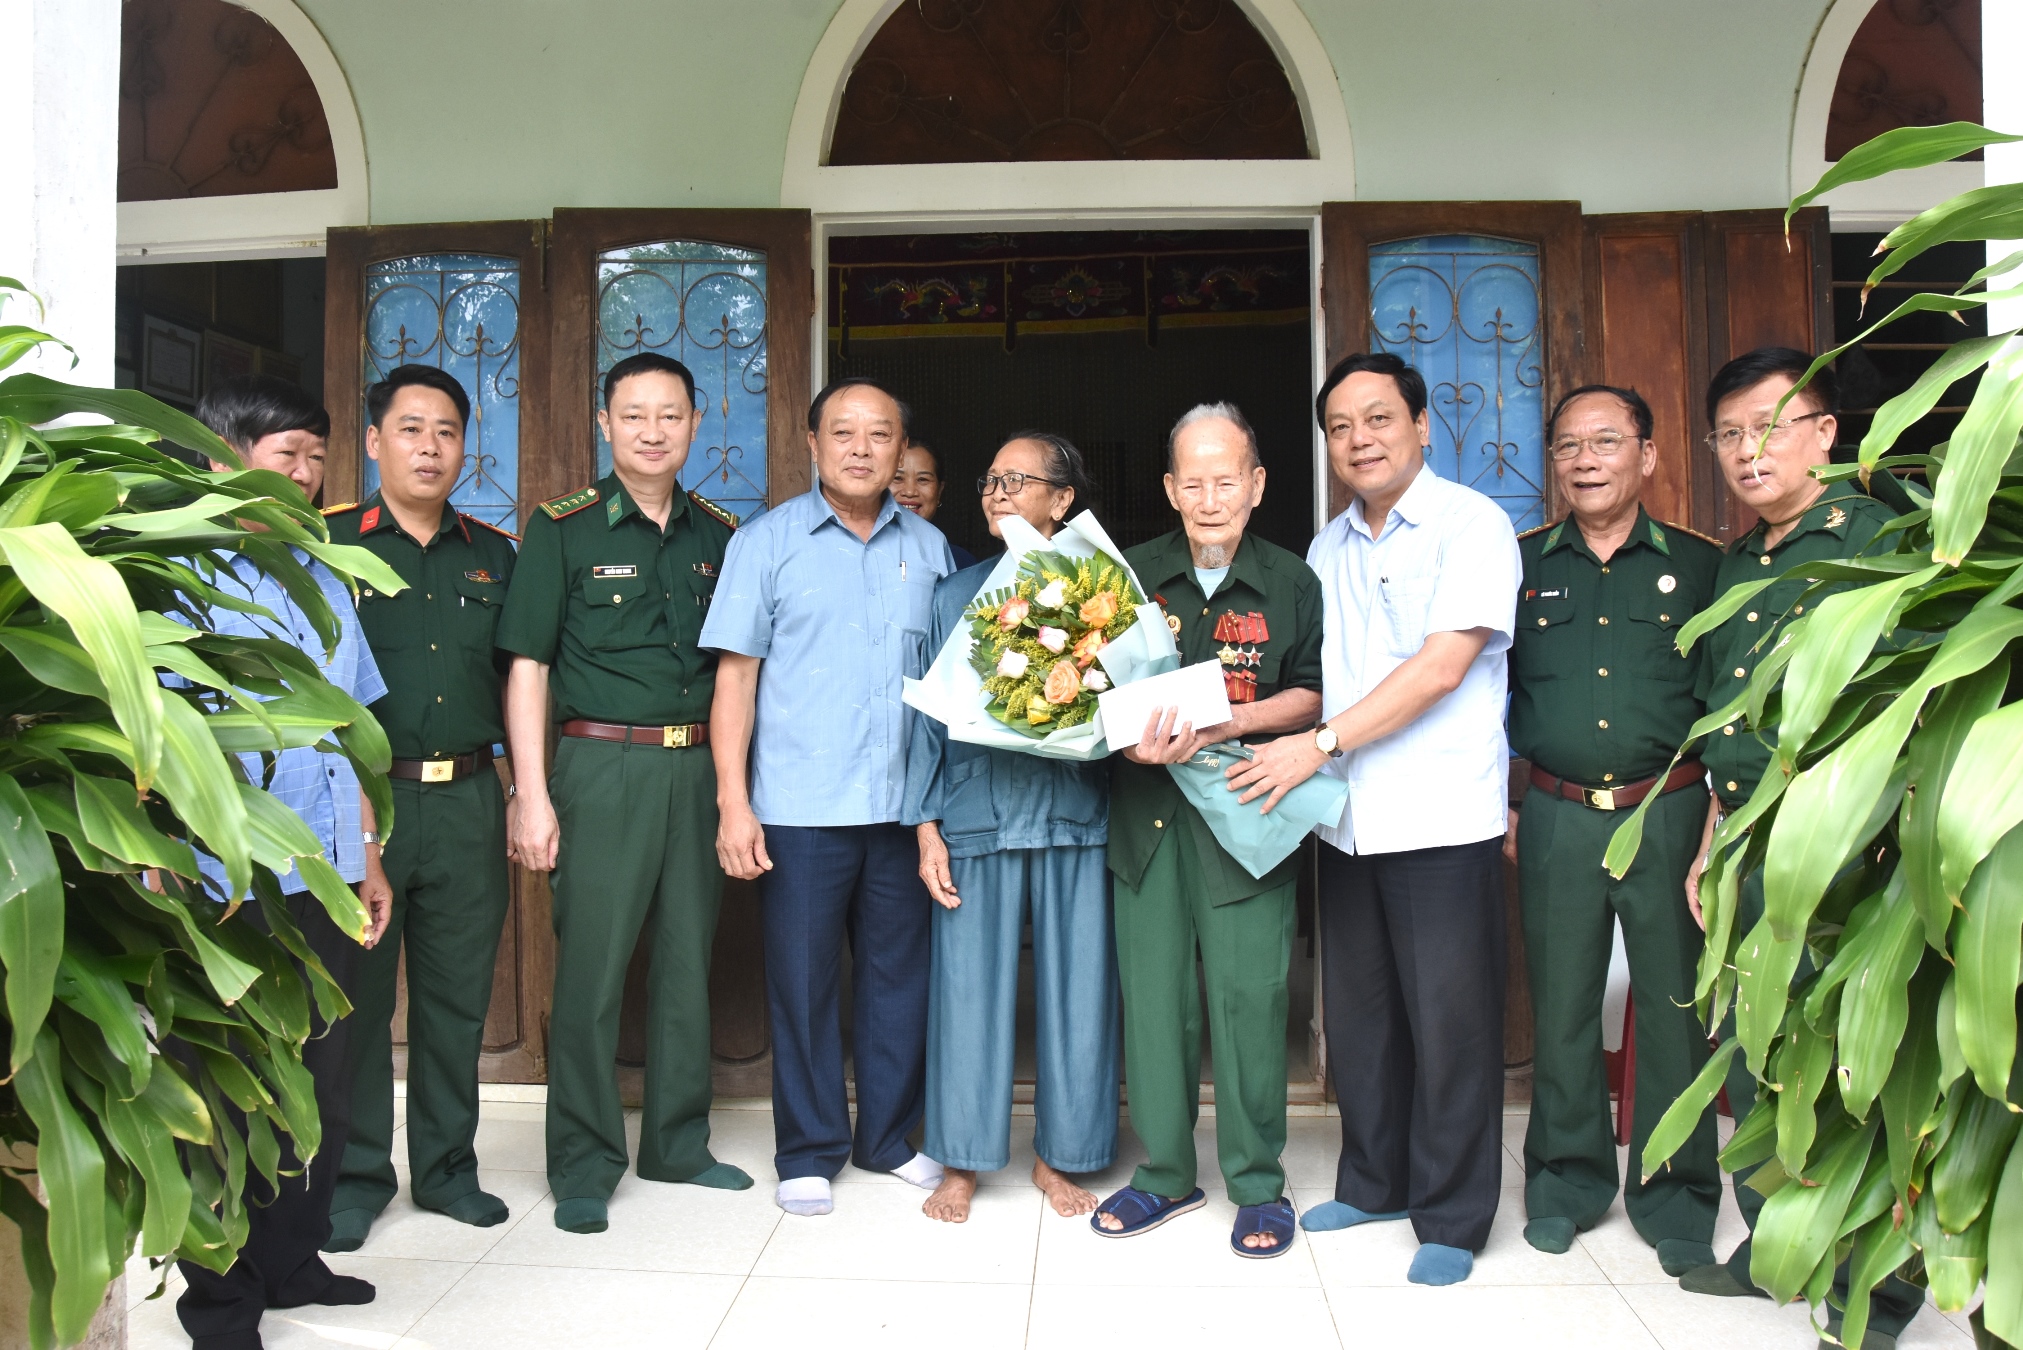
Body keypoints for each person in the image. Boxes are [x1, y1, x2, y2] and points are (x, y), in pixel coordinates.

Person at [1226, 352, 1519, 1286]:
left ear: (1422, 425)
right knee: (1361, 1018)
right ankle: (1375, 1177)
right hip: (1346, 820)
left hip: (1438, 816)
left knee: (1451, 1023)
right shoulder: (1325, 547)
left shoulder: (1471, 526)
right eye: (1341, 427)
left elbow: (1440, 669)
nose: (1360, 439)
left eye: (1379, 419)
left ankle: (1453, 1214)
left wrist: (1317, 743)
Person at [1675, 349, 1920, 1350]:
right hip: (1747, 858)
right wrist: (1704, 851)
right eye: (1729, 433)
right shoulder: (1740, 565)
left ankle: (1878, 1292)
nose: (1748, 450)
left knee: (1859, 1072)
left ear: (1825, 432)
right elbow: (1722, 729)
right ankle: (1778, 1246)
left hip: (1850, 859)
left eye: (1772, 426)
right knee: (1758, 1060)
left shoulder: (1884, 539)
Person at [496, 352, 751, 1236]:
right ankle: (581, 1161)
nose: (652, 431)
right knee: (594, 974)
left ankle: (677, 1143)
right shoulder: (562, 527)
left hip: (695, 768)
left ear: (694, 424)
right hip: (600, 767)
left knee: (688, 961)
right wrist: (532, 795)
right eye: (634, 415)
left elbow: (735, 673)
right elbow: (527, 667)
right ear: (605, 426)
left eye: (669, 415)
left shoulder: (720, 534)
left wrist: (731, 794)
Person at [702, 375, 955, 1218]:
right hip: (799, 810)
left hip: (901, 810)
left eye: (878, 434)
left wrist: (938, 810)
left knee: (898, 979)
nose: (859, 448)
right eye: (841, 432)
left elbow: (957, 684)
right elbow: (735, 682)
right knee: (802, 983)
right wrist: (733, 805)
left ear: (899, 451)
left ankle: (888, 1137)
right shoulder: (766, 543)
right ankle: (808, 1150)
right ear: (811, 445)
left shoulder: (929, 549)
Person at [175, 374, 392, 1350]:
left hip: (329, 871)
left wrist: (370, 858)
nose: (305, 475)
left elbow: (351, 728)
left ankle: (293, 1260)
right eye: (285, 456)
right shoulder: (180, 577)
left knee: (323, 1076)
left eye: (316, 457)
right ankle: (219, 1301)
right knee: (222, 1086)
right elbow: (155, 738)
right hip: (223, 877)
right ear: (226, 458)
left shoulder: (328, 575)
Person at [1091, 402, 1324, 1260]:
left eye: (1226, 478)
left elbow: (1313, 693)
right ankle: (1163, 1174)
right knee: (1154, 1002)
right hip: (1145, 820)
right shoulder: (1128, 575)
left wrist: (1230, 722)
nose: (1209, 495)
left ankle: (1258, 1184)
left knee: (1250, 1002)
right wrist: (1125, 730)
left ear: (1257, 485)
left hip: (1247, 815)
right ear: (1168, 488)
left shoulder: (1293, 580)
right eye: (1191, 480)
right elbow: (1088, 686)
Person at [1503, 385, 1723, 1272]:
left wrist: (1714, 825)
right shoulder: (1515, 564)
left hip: (1668, 811)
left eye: (1605, 441)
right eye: (1566, 446)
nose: (1584, 459)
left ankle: (1674, 1195)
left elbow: (1728, 705)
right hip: (1553, 816)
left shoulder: (1706, 567)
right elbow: (1485, 692)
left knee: (1673, 1010)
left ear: (1648, 456)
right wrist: (1508, 802)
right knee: (1558, 1011)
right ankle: (1563, 1181)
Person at [322, 364, 521, 1252]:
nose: (429, 447)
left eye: (445, 431)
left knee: (456, 999)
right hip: (369, 802)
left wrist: (522, 792)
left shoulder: (495, 553)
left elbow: (517, 682)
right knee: (356, 1000)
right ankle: (355, 1175)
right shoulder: (327, 545)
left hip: (472, 798)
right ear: (374, 442)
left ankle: (446, 1170)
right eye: (410, 429)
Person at [905, 432, 1118, 1225]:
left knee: (1080, 992)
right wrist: (925, 826)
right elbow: (924, 722)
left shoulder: (1102, 592)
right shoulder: (951, 593)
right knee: (965, 993)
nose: (995, 493)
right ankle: (960, 1159)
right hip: (974, 812)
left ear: (1062, 500)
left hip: (1074, 812)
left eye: (1016, 480)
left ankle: (1059, 1156)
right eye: (989, 480)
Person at [893, 439, 977, 568]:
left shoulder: (962, 563)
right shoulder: (856, 553)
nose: (909, 491)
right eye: (897, 478)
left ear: (939, 491)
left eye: (923, 479)